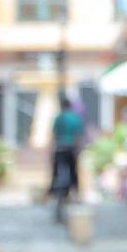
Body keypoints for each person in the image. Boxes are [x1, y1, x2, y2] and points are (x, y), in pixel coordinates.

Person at [49, 93, 85, 223]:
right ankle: (76, 194)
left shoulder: (58, 118)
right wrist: (78, 151)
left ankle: (55, 194)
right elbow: (78, 136)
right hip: (70, 149)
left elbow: (53, 136)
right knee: (73, 172)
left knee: (56, 174)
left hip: (59, 149)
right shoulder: (75, 118)